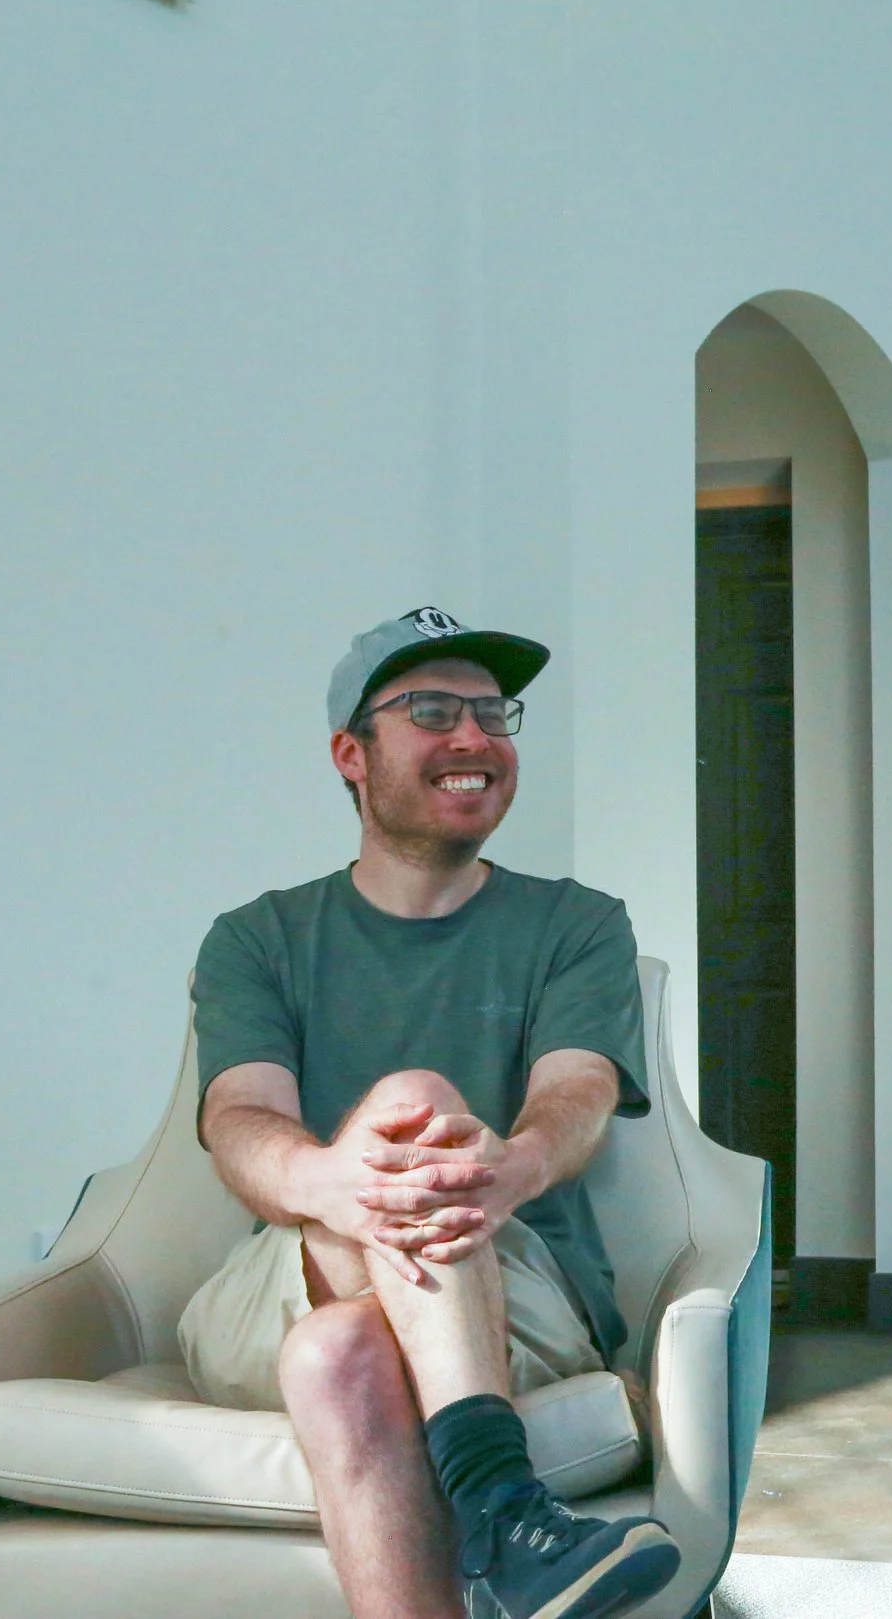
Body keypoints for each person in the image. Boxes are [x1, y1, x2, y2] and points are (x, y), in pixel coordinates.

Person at [181, 607, 681, 1619]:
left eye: (493, 712)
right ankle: (503, 1503)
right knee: (416, 1109)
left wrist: (516, 1165)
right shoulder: (257, 937)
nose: (474, 737)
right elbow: (240, 1115)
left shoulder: (576, 923)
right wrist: (337, 1186)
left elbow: (576, 1091)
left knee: (339, 1352)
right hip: (285, 1269)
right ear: (350, 753)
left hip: (521, 1276)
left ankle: (495, 1503)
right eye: (431, 710)